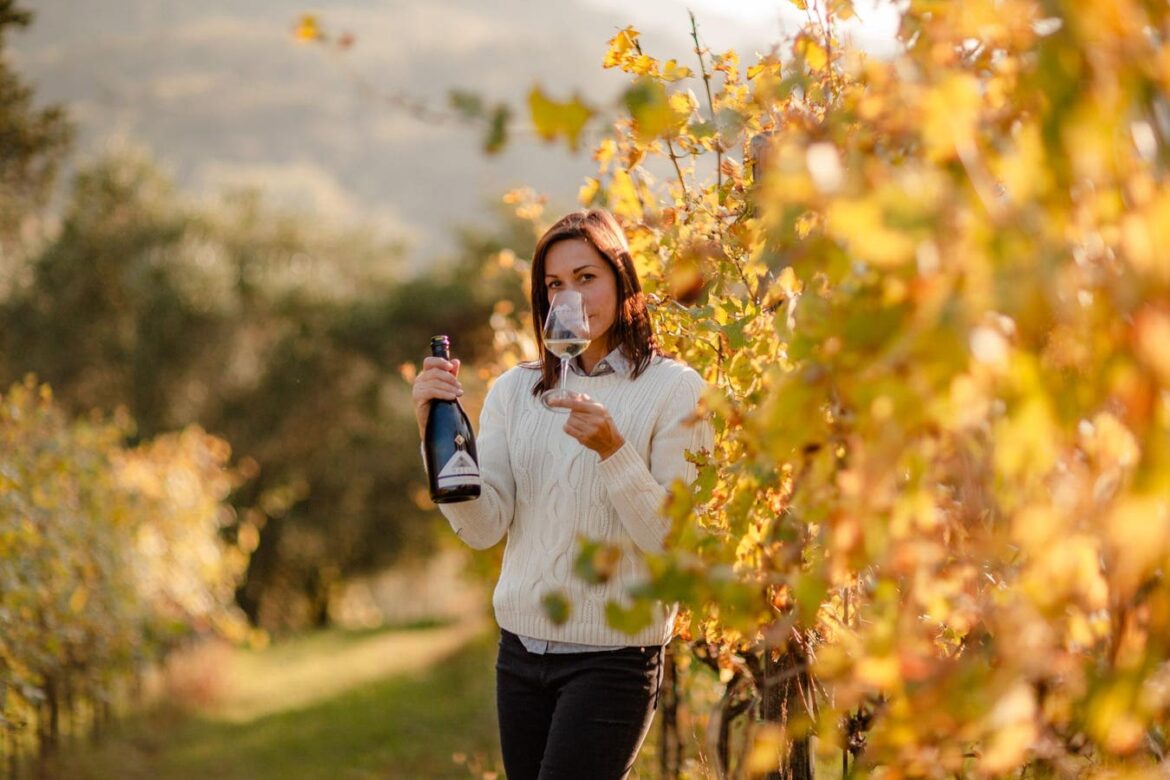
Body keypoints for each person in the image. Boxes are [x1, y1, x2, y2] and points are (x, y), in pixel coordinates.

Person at [411, 209, 712, 780]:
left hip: (613, 660)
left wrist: (613, 451)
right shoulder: (514, 391)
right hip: (520, 657)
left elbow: (678, 548)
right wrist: (431, 432)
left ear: (623, 280)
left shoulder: (675, 390)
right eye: (554, 285)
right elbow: (482, 529)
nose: (569, 296)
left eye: (586, 277)